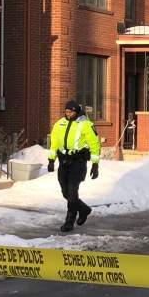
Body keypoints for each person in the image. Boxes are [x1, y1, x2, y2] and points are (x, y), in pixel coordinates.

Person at [47, 99, 101, 232]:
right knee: (65, 192)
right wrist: (51, 159)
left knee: (72, 192)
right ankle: (84, 209)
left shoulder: (85, 125)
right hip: (63, 162)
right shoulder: (60, 124)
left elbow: (94, 144)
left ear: (76, 112)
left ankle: (69, 222)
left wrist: (95, 165)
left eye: (70, 111)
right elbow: (54, 143)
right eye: (66, 111)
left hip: (78, 163)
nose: (67, 113)